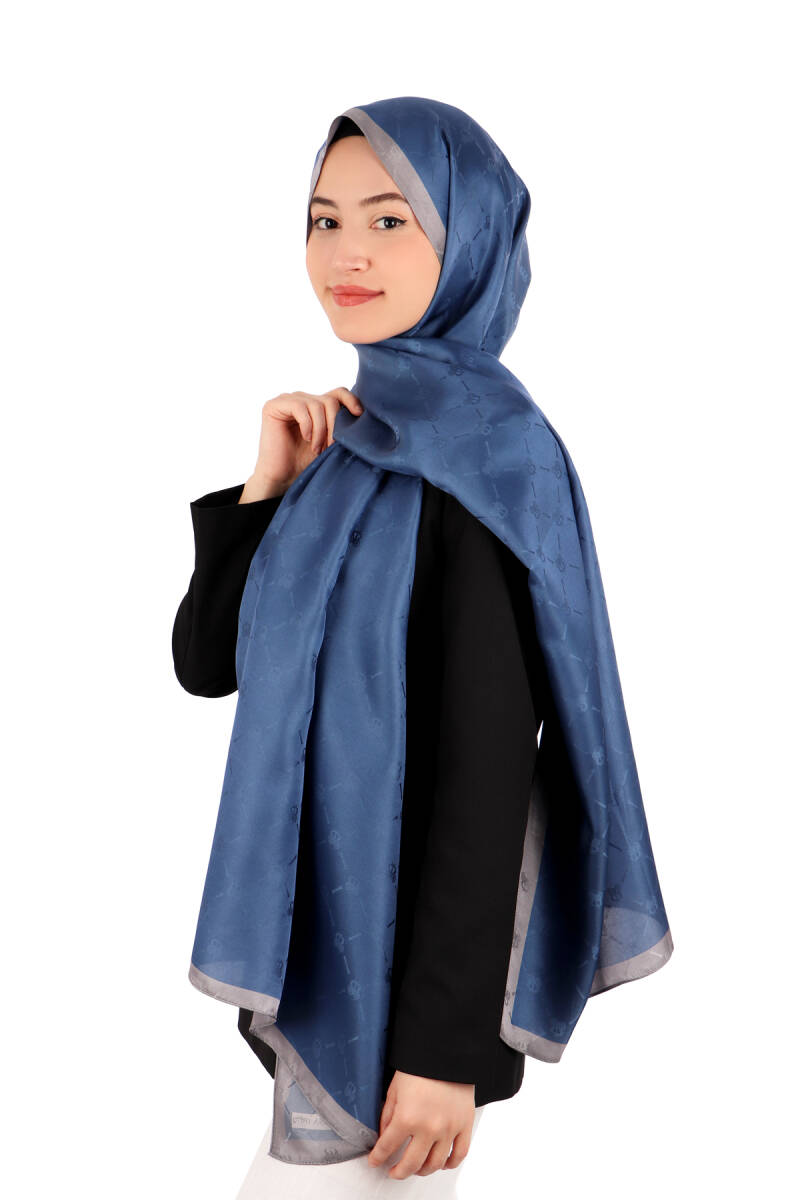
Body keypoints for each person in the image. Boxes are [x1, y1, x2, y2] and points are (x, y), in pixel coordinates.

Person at [172, 98, 673, 1195]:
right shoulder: (351, 449)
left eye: (390, 221)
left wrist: (445, 1051)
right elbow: (209, 665)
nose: (345, 253)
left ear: (470, 243)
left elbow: (488, 767)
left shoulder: (490, 460)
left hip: (404, 1005)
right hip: (332, 953)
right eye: (324, 219)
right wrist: (266, 490)